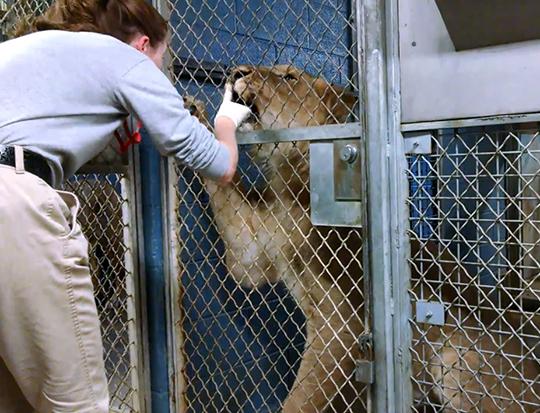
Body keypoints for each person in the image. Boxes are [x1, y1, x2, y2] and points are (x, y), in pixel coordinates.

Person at [0, 0, 251, 411]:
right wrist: (226, 119)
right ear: (144, 44)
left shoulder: (27, 50)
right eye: (160, 61)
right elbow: (218, 164)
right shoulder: (122, 56)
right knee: (77, 402)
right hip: (15, 202)